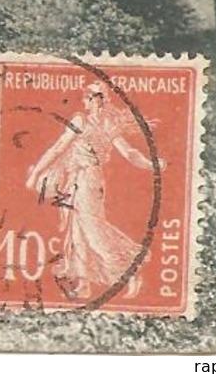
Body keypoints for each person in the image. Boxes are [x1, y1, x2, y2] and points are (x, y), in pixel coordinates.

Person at [25, 81, 157, 299]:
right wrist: (37, 173)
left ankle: (130, 272)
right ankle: (84, 284)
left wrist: (36, 173)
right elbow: (129, 153)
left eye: (87, 97)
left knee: (93, 232)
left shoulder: (88, 121)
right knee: (76, 233)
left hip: (88, 179)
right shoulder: (104, 124)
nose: (83, 101)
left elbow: (59, 148)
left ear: (97, 100)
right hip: (77, 178)